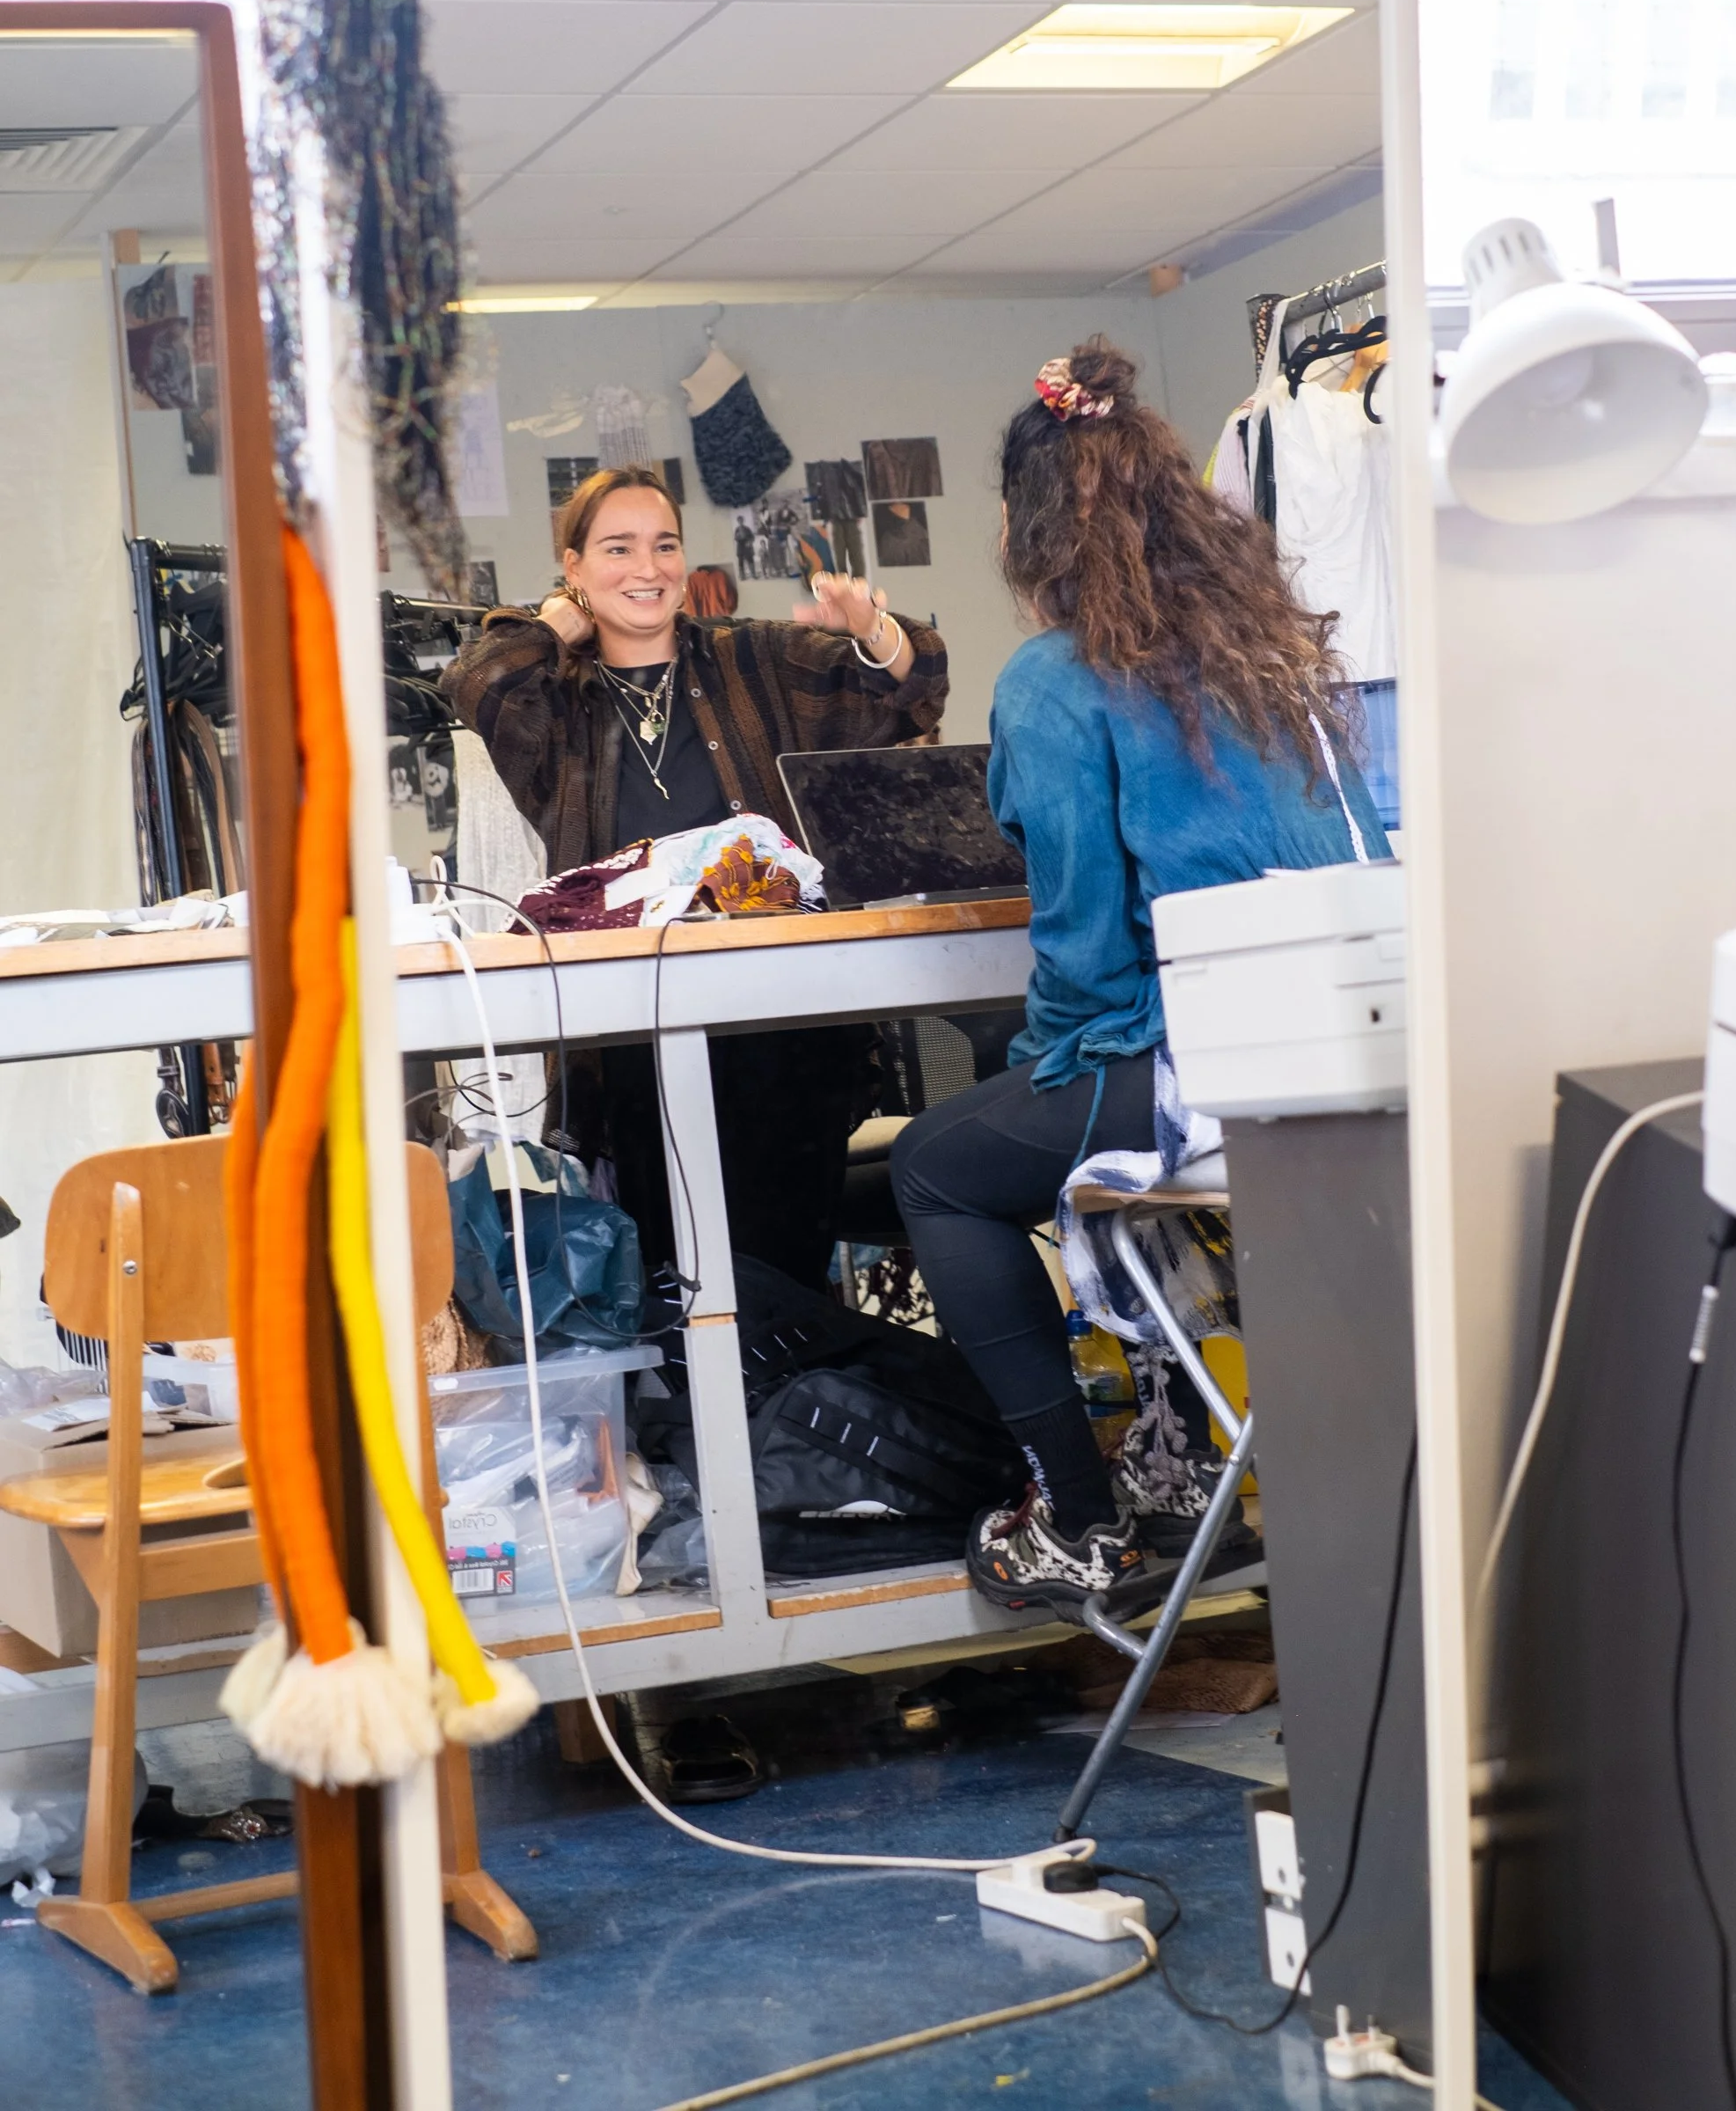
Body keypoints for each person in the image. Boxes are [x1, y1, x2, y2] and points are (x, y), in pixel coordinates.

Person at [890, 340, 1391, 1619]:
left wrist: (1045, 1066)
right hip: (1348, 1060)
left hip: (1205, 1070)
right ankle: (1178, 1463)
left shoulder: (1054, 679)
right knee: (1046, 1123)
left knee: (936, 1166)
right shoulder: (1271, 653)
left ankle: (1079, 1519)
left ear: (1029, 528)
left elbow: (1083, 944)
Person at [445, 465, 947, 1288]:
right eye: (618, 549)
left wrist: (874, 628)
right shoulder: (553, 708)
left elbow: (914, 684)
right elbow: (478, 682)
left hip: (783, 1027)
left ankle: (789, 1371)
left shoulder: (752, 659)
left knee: (784, 1275)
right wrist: (563, 618)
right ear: (573, 565)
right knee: (674, 1277)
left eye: (665, 545)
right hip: (633, 1035)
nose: (648, 568)